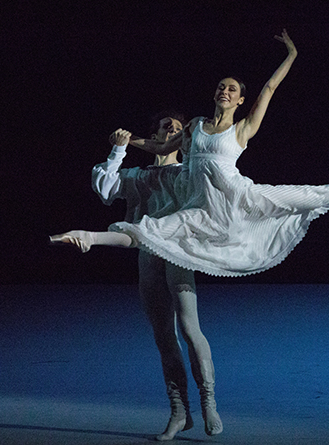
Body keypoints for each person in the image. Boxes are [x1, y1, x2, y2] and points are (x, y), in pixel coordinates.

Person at [50, 29, 329, 278]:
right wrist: (126, 142)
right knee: (149, 232)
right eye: (221, 87)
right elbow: (161, 146)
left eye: (232, 89)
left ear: (241, 99)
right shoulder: (193, 125)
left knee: (317, 193)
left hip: (240, 197)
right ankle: (88, 237)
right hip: (201, 207)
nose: (225, 91)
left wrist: (292, 52)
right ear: (215, 95)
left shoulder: (241, 129)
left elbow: (271, 88)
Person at [91, 112, 222, 440]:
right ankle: (179, 411)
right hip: (149, 257)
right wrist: (118, 150)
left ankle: (209, 402)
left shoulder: (185, 172)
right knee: (164, 336)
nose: (173, 130)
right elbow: (105, 190)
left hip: (178, 253)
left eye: (178, 129)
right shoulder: (137, 174)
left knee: (190, 329)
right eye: (167, 126)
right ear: (155, 135)